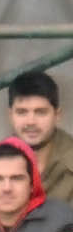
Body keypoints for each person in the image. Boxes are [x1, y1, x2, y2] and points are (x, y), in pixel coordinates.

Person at [7, 70, 73, 204]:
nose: (31, 121)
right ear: (10, 115)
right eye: (22, 112)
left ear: (57, 115)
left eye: (41, 112)